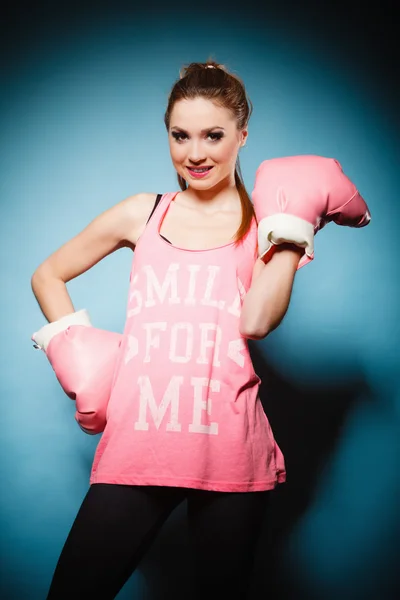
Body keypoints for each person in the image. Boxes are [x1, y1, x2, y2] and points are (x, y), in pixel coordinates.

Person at [31, 59, 304, 600]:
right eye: (180, 136)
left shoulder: (267, 228)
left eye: (213, 135)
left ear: (242, 136)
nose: (194, 153)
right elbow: (48, 275)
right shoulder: (144, 213)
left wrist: (292, 236)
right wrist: (80, 356)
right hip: (140, 445)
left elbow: (258, 321)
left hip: (230, 450)